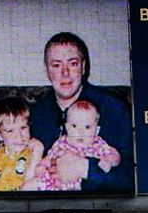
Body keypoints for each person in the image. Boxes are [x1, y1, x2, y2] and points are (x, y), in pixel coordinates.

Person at [28, 31, 132, 192]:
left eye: (73, 63)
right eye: (56, 65)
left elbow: (135, 176)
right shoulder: (37, 113)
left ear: (83, 67)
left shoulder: (113, 108)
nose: (65, 73)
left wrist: (86, 169)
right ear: (46, 70)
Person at [30, 100, 120, 191]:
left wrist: (109, 160)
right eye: (74, 126)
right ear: (67, 128)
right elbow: (50, 156)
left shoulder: (98, 144)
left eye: (87, 127)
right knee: (31, 185)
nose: (80, 132)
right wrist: (42, 165)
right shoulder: (62, 142)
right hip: (56, 183)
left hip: (82, 187)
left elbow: (114, 155)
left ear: (97, 131)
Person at [0, 97, 43, 191]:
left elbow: (30, 188)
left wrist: (38, 152)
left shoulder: (33, 154)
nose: (18, 136)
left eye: (23, 128)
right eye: (10, 131)